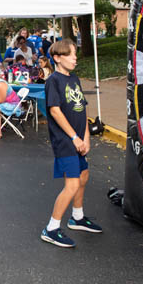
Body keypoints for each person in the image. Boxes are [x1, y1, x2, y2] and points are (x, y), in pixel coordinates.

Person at [40, 39, 101, 248]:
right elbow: (55, 111)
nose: (75, 58)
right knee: (72, 183)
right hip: (65, 142)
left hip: (78, 140)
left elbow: (81, 109)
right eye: (71, 54)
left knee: (83, 176)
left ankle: (77, 217)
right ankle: (51, 228)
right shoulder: (53, 81)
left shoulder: (74, 79)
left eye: (75, 53)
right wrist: (74, 138)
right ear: (57, 58)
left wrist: (85, 137)